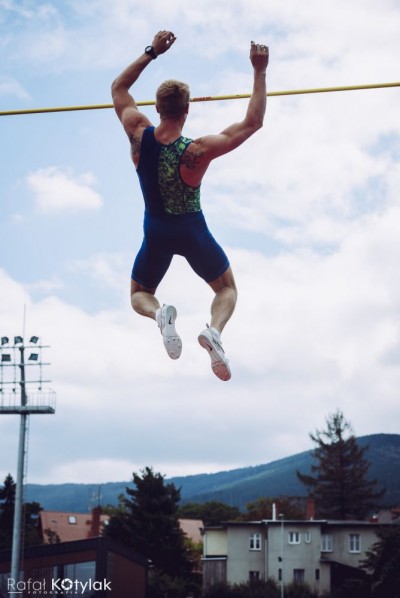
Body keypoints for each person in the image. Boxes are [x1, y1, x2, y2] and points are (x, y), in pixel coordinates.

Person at [111, 31, 268, 381]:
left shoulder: (137, 132)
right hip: (191, 230)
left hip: (156, 230)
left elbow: (119, 89)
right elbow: (253, 122)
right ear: (187, 110)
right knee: (226, 288)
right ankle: (213, 332)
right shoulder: (196, 150)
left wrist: (152, 52)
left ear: (156, 108)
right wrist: (259, 70)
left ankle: (160, 314)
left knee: (140, 294)